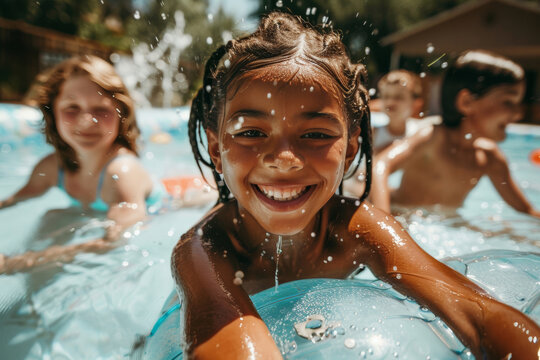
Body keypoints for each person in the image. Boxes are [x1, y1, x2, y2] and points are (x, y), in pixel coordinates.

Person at [172, 13, 539, 360]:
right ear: (217, 150)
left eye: (315, 134)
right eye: (251, 132)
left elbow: (474, 311)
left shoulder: (359, 230)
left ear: (349, 151)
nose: (283, 158)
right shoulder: (204, 249)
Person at [0, 55, 164, 273]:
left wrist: (19, 262)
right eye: (72, 108)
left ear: (120, 114)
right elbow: (15, 199)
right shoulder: (52, 168)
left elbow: (114, 242)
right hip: (97, 212)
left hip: (163, 208)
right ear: (52, 112)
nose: (87, 121)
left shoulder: (122, 173)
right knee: (51, 216)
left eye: (101, 110)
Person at [370, 49, 540, 218]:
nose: (518, 113)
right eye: (508, 102)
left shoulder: (490, 158)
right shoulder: (433, 137)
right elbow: (379, 166)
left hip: (442, 223)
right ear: (466, 102)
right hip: (400, 212)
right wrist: (384, 222)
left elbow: (527, 212)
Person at [372, 70, 426, 153]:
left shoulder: (420, 132)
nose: (391, 102)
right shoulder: (372, 133)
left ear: (415, 103)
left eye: (399, 97)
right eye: (386, 96)